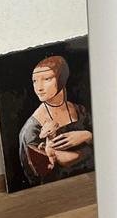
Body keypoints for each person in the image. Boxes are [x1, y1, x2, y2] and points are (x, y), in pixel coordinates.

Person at [18, 56, 94, 186]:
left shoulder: (80, 111)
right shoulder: (31, 130)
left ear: (61, 79)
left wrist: (87, 135)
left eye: (47, 79)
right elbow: (37, 178)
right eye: (35, 81)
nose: (39, 88)